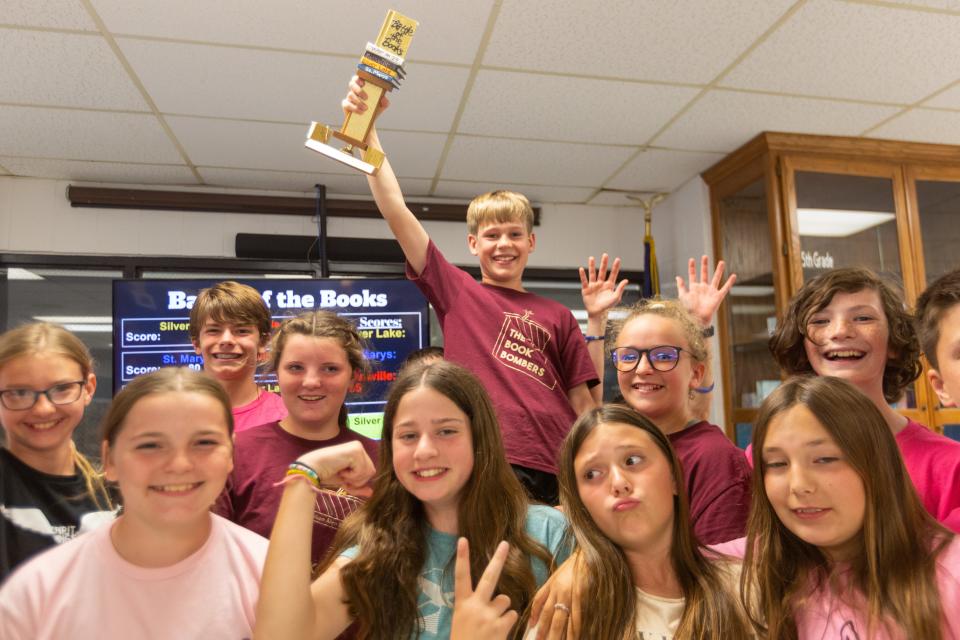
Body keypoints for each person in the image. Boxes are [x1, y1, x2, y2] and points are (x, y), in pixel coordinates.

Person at [343, 79, 619, 505]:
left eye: (514, 234)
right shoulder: (458, 291)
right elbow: (396, 211)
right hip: (491, 460)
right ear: (474, 244)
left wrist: (597, 323)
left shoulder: (557, 314)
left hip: (560, 466)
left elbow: (586, 400)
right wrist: (369, 136)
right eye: (492, 235)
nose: (503, 244)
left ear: (531, 243)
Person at [254, 360, 569, 640]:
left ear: (479, 437)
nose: (424, 451)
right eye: (408, 436)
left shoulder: (548, 534)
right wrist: (304, 475)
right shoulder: (378, 548)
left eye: (446, 431)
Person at [0, 367, 268, 639]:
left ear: (231, 453)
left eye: (204, 442)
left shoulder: (267, 572)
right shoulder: (36, 592)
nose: (179, 465)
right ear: (110, 459)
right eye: (150, 445)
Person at [743, 375, 959, 639]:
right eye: (777, 464)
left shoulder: (949, 572)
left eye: (824, 459)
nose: (798, 485)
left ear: (877, 464)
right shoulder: (751, 569)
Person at [528, 404, 751, 639]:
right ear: (580, 503)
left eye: (632, 460)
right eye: (592, 474)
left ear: (675, 475)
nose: (618, 482)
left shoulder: (745, 590)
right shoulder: (566, 610)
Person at [768, 267, 960, 529]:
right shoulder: (770, 457)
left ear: (894, 342)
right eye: (820, 321)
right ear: (802, 346)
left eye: (862, 318)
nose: (840, 331)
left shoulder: (948, 466)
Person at [215, 311, 379, 575]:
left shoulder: (381, 461)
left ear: (353, 377)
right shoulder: (236, 453)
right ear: (275, 373)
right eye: (295, 368)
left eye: (330, 369)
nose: (311, 382)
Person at [609, 298, 751, 544]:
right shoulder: (611, 447)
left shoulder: (713, 458)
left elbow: (722, 570)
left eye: (663, 356)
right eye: (629, 356)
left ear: (696, 374)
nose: (643, 368)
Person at [0, 322, 116, 582]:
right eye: (19, 392)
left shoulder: (118, 488)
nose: (43, 409)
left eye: (61, 389)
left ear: (88, 388)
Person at [189, 280, 286, 431]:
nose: (226, 340)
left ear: (263, 342)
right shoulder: (170, 415)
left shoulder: (285, 418)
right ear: (196, 343)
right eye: (214, 330)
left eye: (241, 331)